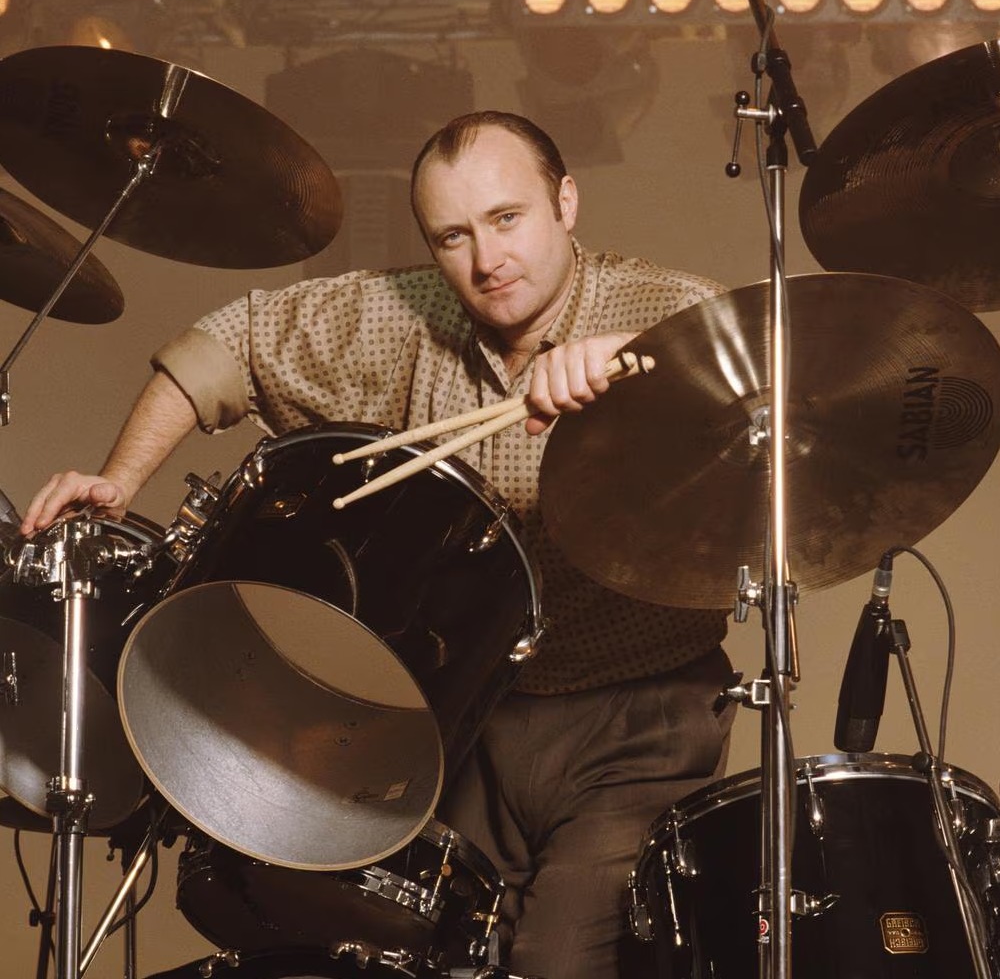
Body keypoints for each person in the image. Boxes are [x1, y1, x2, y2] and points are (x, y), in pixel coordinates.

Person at [22, 111, 736, 979]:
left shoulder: (665, 306)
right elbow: (225, 346)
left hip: (639, 715)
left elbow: (770, 373)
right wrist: (119, 482)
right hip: (474, 722)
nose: (487, 259)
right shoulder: (405, 315)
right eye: (453, 236)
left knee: (559, 962)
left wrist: (638, 360)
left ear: (566, 203)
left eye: (507, 219)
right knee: (412, 956)